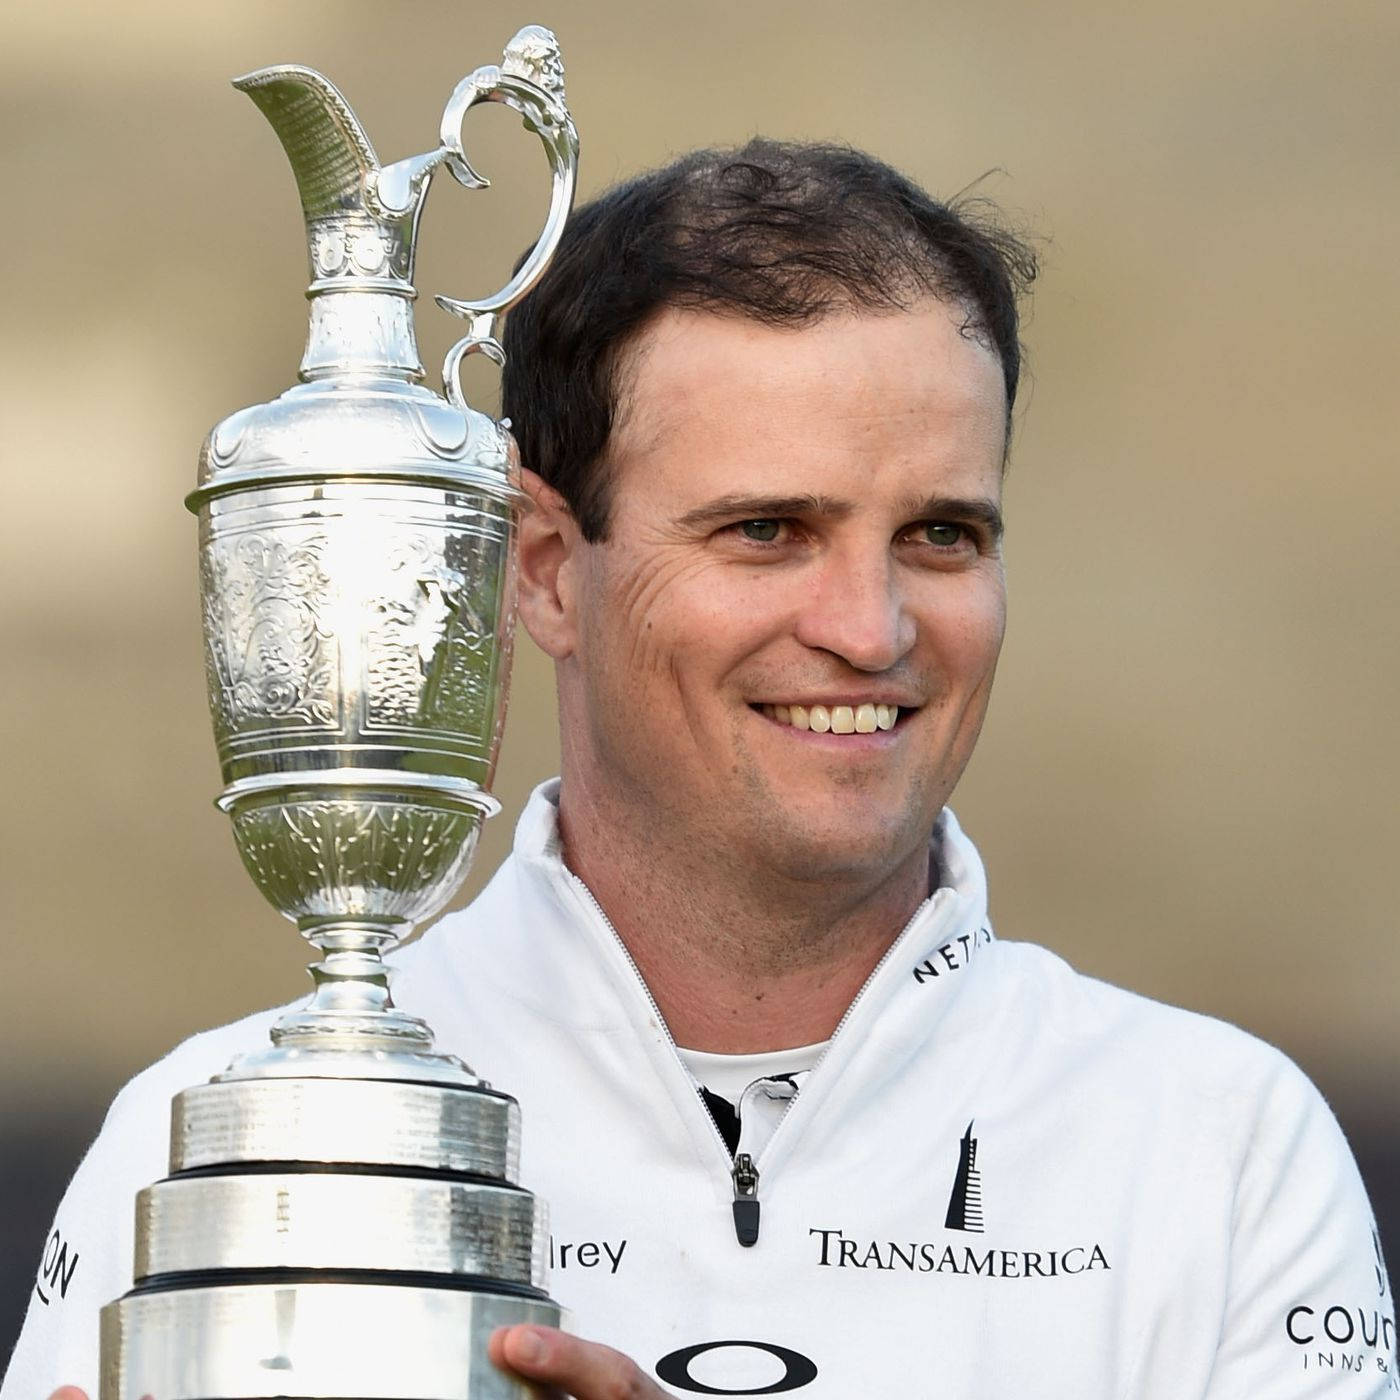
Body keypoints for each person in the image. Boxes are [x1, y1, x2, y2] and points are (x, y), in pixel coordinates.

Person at [6, 141, 1394, 1399]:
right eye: (769, 531)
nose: (872, 629)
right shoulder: (216, 1137)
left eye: (942, 536)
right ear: (545, 572)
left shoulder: (1219, 1150)